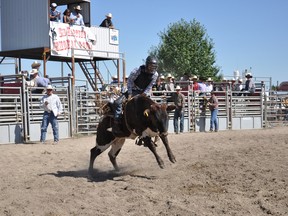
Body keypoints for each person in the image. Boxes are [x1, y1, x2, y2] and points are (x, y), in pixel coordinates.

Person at [113, 56, 158, 135]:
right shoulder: (137, 70)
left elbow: (150, 85)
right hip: (133, 90)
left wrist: (144, 93)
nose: (152, 68)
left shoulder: (155, 74)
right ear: (147, 64)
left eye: (153, 66)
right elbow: (130, 81)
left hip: (144, 92)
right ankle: (117, 125)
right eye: (151, 66)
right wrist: (130, 93)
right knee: (117, 102)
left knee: (153, 107)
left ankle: (155, 125)